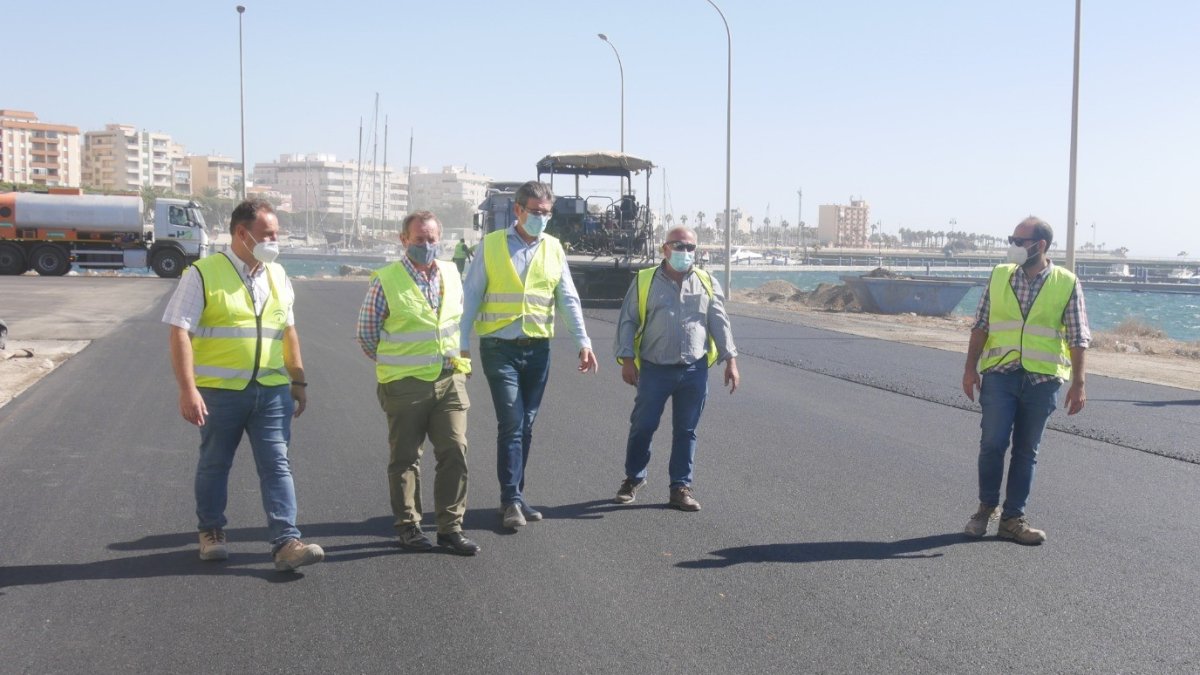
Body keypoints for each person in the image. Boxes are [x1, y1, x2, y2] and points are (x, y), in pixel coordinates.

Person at [163, 199, 324, 572]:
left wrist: (297, 380)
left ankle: (286, 542)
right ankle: (211, 531)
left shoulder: (278, 275)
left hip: (270, 391)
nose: (275, 241)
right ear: (241, 233)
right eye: (268, 234)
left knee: (277, 465)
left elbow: (288, 331)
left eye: (276, 234)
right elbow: (179, 332)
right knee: (215, 463)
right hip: (220, 392)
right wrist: (188, 389)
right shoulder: (202, 274)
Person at [460, 180, 598, 530]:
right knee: (511, 422)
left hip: (537, 349)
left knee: (527, 424)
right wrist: (460, 345)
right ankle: (509, 501)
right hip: (499, 348)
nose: (541, 218)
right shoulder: (490, 246)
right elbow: (471, 296)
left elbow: (567, 298)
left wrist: (584, 341)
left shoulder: (553, 248)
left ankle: (518, 495)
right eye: (536, 212)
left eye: (546, 213)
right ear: (518, 210)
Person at [355, 211, 480, 556]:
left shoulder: (452, 274)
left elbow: (456, 324)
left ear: (440, 239)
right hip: (405, 384)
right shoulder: (387, 279)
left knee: (455, 450)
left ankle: (450, 528)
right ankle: (409, 526)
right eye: (419, 239)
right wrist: (397, 363)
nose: (426, 245)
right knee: (406, 457)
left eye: (431, 239)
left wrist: (458, 361)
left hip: (449, 379)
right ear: (404, 239)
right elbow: (367, 335)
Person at [961, 216, 1088, 544]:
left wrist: (1079, 383)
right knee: (992, 443)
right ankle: (985, 508)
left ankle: (1013, 519)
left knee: (1026, 451)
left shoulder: (1066, 282)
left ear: (1040, 246)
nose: (1013, 246)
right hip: (1000, 374)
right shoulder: (1000, 276)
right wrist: (969, 368)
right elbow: (981, 325)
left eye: (1019, 241)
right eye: (1012, 240)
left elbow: (1078, 337)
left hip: (1042, 380)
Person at [612, 227, 739, 511]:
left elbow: (719, 321)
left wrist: (730, 360)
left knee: (686, 430)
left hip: (694, 370)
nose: (685, 252)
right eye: (679, 246)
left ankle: (680, 487)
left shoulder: (706, 281)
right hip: (655, 369)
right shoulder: (646, 280)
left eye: (690, 247)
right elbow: (628, 320)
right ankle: (633, 478)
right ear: (665, 249)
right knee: (643, 426)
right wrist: (627, 359)